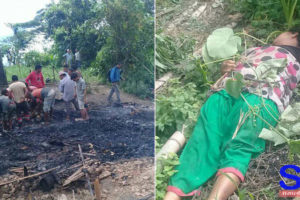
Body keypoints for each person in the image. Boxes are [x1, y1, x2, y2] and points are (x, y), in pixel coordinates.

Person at [164, 30, 300, 200]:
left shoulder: (296, 58)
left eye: (282, 33)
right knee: (207, 143)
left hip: (260, 98)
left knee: (207, 145)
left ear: (294, 35)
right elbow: (229, 70)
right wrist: (226, 68)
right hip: (230, 93)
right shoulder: (254, 48)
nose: (275, 36)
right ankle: (172, 196)